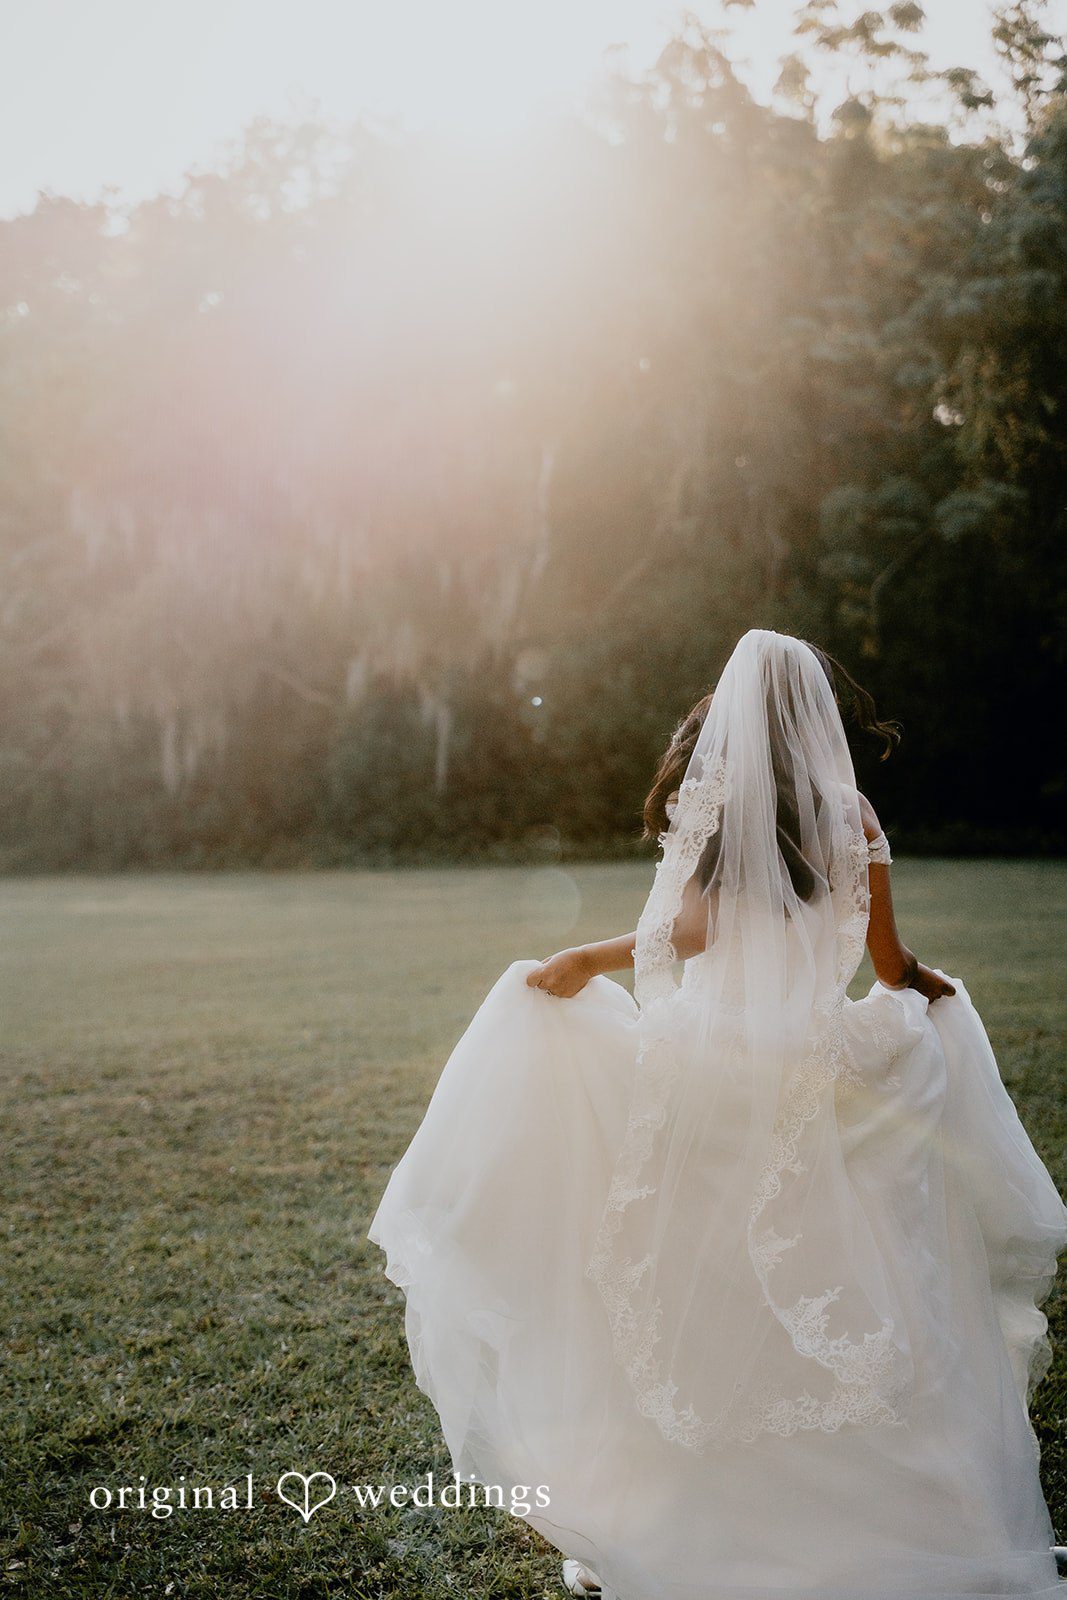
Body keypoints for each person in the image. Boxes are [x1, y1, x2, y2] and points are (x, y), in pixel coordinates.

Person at [369, 628, 1067, 1600]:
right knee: (851, 1274)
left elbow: (690, 930)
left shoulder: (730, 804)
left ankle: (701, 1511)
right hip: (822, 1065)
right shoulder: (853, 811)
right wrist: (926, 991)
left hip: (721, 1062)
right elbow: (886, 957)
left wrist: (582, 960)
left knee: (695, 1275)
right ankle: (899, 1515)